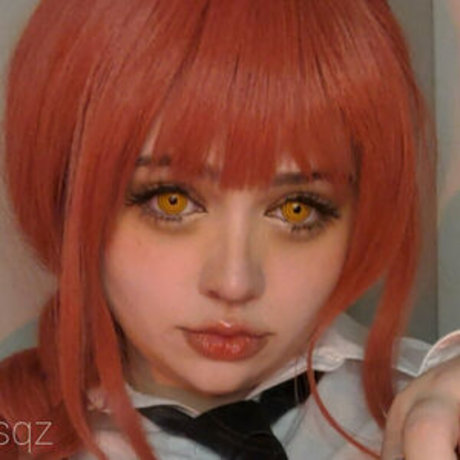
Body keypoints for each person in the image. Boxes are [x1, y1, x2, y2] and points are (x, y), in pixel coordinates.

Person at [0, 0, 459, 459]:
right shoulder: (22, 436)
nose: (234, 283)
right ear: (66, 193)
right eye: (171, 201)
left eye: (297, 209)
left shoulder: (421, 407)